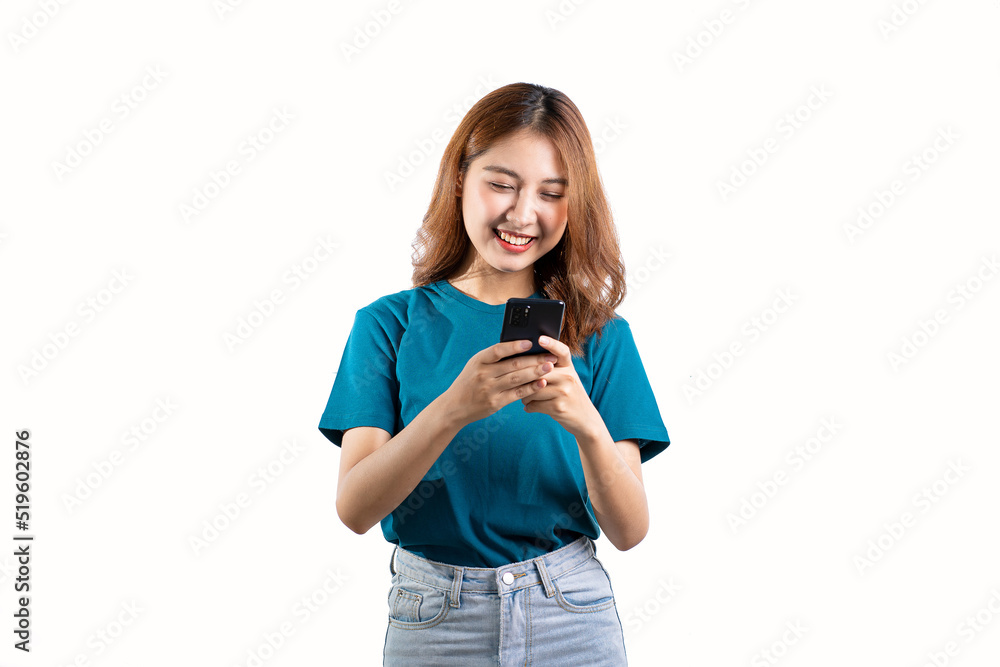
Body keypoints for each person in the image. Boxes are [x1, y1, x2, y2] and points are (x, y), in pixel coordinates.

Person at [317, 82, 671, 666]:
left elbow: (630, 531)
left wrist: (586, 425)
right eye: (502, 184)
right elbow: (355, 508)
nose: (522, 214)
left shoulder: (601, 335)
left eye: (551, 193)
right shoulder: (388, 325)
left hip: (571, 614)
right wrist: (455, 408)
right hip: (435, 619)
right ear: (460, 178)